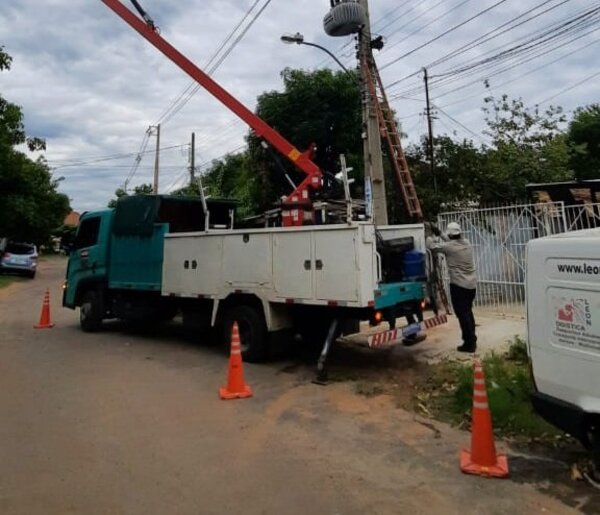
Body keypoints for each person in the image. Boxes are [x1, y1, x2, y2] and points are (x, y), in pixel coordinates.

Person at [427, 222, 477, 353]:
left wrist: (429, 235)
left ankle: (469, 343)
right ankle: (472, 339)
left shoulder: (449, 247)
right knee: (468, 312)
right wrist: (439, 232)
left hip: (459, 286)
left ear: (450, 234)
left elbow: (431, 247)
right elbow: (449, 240)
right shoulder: (466, 242)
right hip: (471, 286)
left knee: (462, 314)